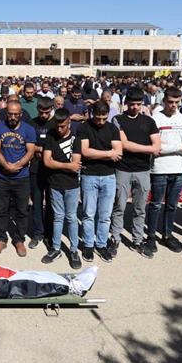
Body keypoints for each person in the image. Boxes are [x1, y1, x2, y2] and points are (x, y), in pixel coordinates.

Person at [110, 88, 159, 258]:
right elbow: (124, 144)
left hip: (143, 170)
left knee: (140, 208)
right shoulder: (117, 119)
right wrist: (148, 149)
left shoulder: (149, 121)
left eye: (138, 104)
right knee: (119, 207)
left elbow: (157, 147)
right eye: (132, 104)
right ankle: (115, 238)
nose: (135, 107)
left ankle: (137, 240)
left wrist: (145, 149)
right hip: (122, 169)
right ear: (126, 104)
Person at [0, 101, 37, 257]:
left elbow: (30, 151)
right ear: (6, 113)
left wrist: (17, 165)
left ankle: (19, 239)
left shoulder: (28, 129)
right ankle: (1, 239)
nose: (12, 117)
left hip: (21, 177)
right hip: (2, 176)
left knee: (22, 210)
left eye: (16, 114)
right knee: (1, 209)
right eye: (10, 113)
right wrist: (6, 165)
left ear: (21, 114)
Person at [78, 100, 122, 263]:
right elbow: (85, 152)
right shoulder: (84, 127)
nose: (101, 122)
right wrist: (108, 154)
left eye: (104, 118)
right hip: (90, 175)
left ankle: (101, 244)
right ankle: (88, 245)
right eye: (98, 118)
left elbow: (118, 151)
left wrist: (108, 153)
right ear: (91, 114)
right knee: (89, 214)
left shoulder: (112, 128)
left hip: (109, 176)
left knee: (105, 215)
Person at [146, 87, 182, 254]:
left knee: (172, 205)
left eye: (177, 102)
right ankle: (150, 236)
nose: (173, 105)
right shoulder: (155, 119)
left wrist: (169, 148)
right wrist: (177, 147)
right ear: (164, 101)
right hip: (159, 168)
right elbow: (155, 148)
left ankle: (167, 235)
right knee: (155, 204)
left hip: (179, 169)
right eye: (170, 102)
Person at [41, 108, 82, 269]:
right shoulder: (50, 136)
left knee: (71, 217)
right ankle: (56, 249)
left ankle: (73, 250)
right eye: (57, 126)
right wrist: (67, 165)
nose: (59, 129)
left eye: (63, 126)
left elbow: (76, 165)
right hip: (55, 184)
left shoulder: (75, 139)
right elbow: (47, 161)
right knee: (58, 217)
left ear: (69, 123)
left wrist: (60, 165)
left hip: (71, 185)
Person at [28, 97, 56, 248]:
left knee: (51, 203)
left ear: (51, 109)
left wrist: (41, 150)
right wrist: (39, 149)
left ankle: (49, 234)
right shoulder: (32, 123)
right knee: (37, 202)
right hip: (35, 169)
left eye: (47, 112)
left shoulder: (55, 124)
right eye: (41, 112)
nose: (44, 115)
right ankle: (38, 233)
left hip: (52, 169)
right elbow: (29, 146)